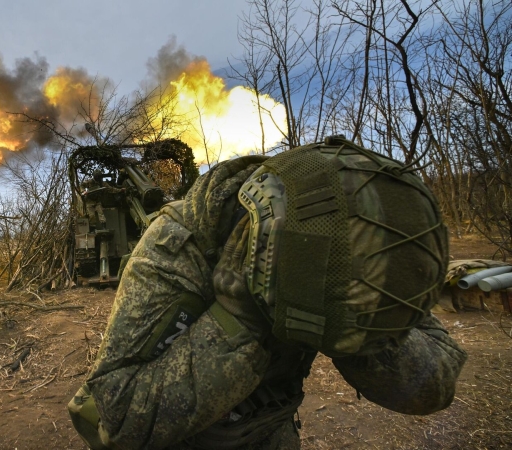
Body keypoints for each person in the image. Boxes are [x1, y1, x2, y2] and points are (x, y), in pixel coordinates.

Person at [68, 136, 468, 449]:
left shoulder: (355, 237)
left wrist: (353, 327)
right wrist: (238, 319)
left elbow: (432, 386)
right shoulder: (179, 245)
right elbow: (112, 418)